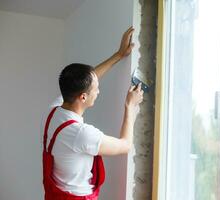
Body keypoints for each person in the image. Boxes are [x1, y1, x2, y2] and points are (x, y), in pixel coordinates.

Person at [41, 27, 144, 200]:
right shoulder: (82, 134)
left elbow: (89, 78)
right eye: (96, 89)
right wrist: (129, 106)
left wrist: (119, 55)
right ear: (83, 96)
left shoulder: (56, 110)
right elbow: (125, 145)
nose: (98, 92)